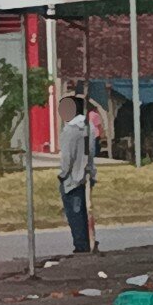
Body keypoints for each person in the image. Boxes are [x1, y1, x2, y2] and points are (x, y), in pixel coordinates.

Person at [57, 96, 95, 254]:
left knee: (75, 214)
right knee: (84, 212)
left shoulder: (70, 130)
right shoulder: (88, 126)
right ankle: (87, 242)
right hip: (86, 175)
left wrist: (62, 174)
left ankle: (80, 245)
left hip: (72, 178)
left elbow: (67, 157)